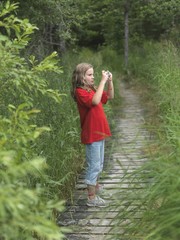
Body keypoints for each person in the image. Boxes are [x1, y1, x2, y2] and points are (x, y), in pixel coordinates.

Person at [71, 63, 114, 207]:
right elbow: (95, 102)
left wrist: (109, 82)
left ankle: (95, 186)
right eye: (89, 75)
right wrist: (102, 81)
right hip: (91, 134)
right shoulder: (80, 92)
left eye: (93, 74)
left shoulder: (91, 89)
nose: (93, 77)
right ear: (81, 77)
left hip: (99, 132)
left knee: (99, 164)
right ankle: (91, 198)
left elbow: (109, 97)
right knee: (94, 166)